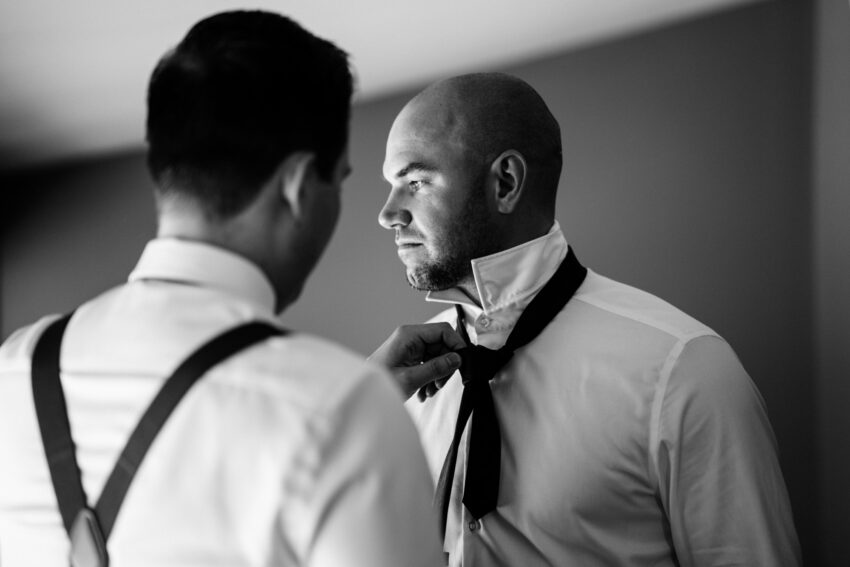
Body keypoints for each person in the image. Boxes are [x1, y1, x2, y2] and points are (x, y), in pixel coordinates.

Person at [0, 11, 456, 566]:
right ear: (296, 187)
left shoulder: (17, 365)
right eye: (338, 181)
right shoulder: (343, 413)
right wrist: (348, 414)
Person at [378, 72, 801, 566]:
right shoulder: (397, 390)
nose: (388, 214)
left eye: (415, 182)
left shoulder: (682, 371)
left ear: (506, 182)